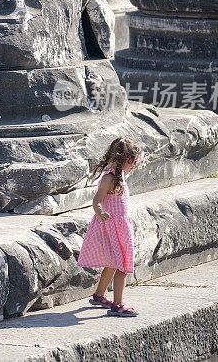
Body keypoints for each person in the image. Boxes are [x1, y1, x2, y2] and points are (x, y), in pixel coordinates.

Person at [77, 136, 142, 317]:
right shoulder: (109, 178)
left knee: (114, 263)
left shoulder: (119, 176)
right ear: (124, 159)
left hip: (121, 227)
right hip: (113, 227)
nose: (134, 165)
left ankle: (99, 295)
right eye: (133, 161)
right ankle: (118, 305)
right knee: (122, 266)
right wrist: (100, 212)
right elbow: (97, 199)